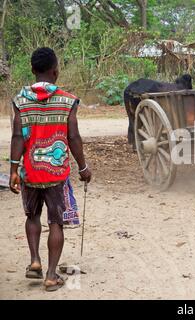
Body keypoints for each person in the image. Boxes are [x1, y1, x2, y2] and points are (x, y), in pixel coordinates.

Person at [9, 47, 92, 291]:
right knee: (56, 223)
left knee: (32, 217)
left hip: (30, 172)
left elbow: (16, 137)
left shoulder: (20, 101)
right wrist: (83, 167)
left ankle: (34, 260)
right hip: (56, 174)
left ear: (33, 70)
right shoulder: (68, 101)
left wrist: (14, 169)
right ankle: (51, 275)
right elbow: (74, 137)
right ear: (56, 71)